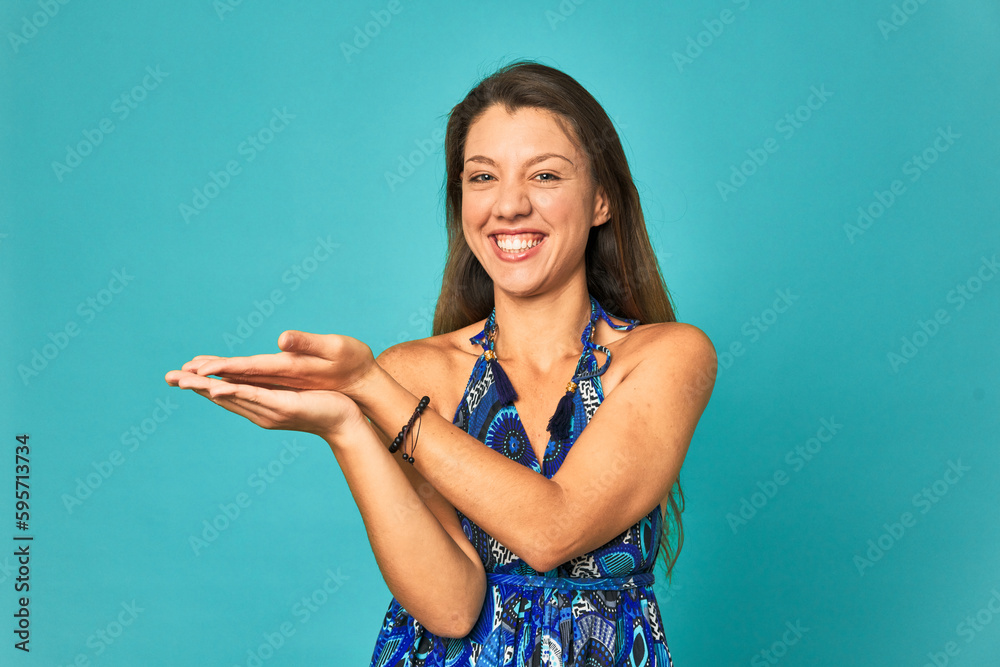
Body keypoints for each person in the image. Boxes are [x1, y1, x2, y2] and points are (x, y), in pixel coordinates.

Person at [165, 59, 716, 666]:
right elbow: (451, 607)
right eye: (482, 177)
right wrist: (346, 427)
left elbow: (551, 533)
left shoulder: (667, 357)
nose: (507, 206)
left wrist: (371, 388)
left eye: (545, 175)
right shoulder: (415, 375)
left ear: (602, 201)